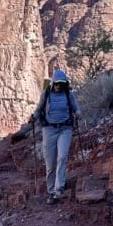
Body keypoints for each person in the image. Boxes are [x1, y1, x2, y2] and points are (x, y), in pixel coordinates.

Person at [33, 70, 82, 204]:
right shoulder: (46, 93)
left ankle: (59, 188)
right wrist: (33, 117)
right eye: (56, 84)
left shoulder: (68, 93)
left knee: (62, 157)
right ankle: (51, 191)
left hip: (65, 129)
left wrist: (77, 114)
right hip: (49, 130)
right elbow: (38, 110)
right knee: (50, 163)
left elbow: (77, 109)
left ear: (65, 83)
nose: (58, 86)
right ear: (53, 83)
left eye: (61, 84)